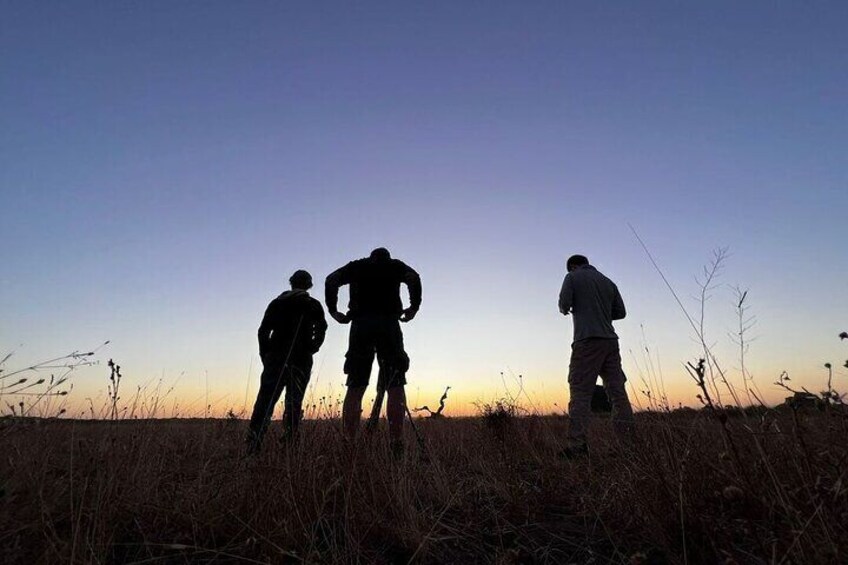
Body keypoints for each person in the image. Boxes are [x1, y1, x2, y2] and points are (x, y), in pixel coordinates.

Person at [325, 248, 421, 454]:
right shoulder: (395, 266)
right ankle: (397, 443)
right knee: (395, 385)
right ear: (387, 257)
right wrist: (413, 308)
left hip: (361, 326)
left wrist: (334, 311)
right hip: (389, 325)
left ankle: (349, 443)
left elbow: (332, 279)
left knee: (355, 385)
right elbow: (413, 277)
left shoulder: (357, 266)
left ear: (371, 257)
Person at [558, 254, 635, 457]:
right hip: (610, 342)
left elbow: (564, 304)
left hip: (586, 342)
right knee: (618, 394)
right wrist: (600, 311)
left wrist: (569, 308)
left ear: (572, 266)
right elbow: (621, 313)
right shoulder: (608, 282)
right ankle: (629, 446)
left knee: (580, 392)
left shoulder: (572, 277)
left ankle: (577, 447)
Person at [246, 269, 327, 453]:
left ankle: (253, 442)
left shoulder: (277, 303)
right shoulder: (313, 304)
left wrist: (265, 356)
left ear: (291, 283)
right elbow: (322, 328)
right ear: (309, 285)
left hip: (275, 358)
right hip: (301, 359)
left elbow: (263, 331)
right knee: (294, 402)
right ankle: (289, 443)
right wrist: (313, 347)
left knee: (265, 400)